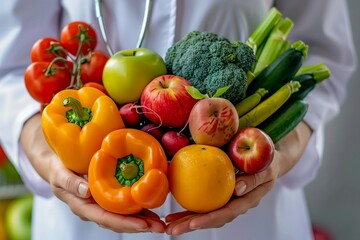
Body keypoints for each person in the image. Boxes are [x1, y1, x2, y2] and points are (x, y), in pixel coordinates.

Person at [0, 0, 357, 239]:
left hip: (251, 218)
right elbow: (12, 67)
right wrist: (46, 159)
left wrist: (281, 152)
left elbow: (321, 52)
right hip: (87, 209)